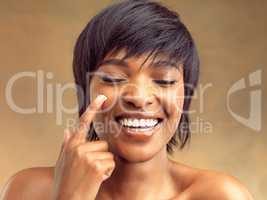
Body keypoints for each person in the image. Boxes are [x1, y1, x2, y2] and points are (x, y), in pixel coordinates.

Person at [1, 0, 254, 199]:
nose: (139, 97)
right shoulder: (29, 192)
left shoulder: (220, 196)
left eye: (164, 80)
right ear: (84, 91)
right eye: (112, 78)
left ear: (185, 97)